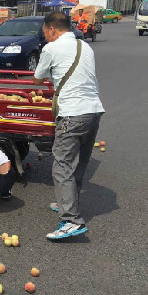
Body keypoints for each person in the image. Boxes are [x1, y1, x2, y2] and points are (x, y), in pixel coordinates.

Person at [33, 12, 105, 240]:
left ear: (52, 29)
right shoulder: (85, 47)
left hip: (72, 114)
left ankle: (71, 220)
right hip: (93, 110)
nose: (44, 37)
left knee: (62, 165)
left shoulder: (51, 49)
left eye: (45, 32)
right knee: (79, 162)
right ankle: (68, 202)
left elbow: (37, 78)